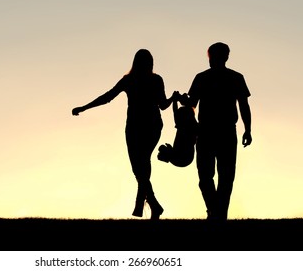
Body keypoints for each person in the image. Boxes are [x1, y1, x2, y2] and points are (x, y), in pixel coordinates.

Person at [72, 49, 173, 220]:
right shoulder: (151, 80)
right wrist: (84, 107)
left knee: (140, 166)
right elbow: (163, 105)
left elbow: (107, 97)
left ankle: (150, 205)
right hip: (145, 126)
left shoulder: (133, 80)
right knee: (140, 166)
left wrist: (83, 108)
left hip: (142, 127)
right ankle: (153, 205)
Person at [187, 42, 252, 222]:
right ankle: (218, 213)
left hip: (210, 131)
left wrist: (248, 130)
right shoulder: (235, 77)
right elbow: (244, 105)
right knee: (223, 176)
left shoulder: (202, 78)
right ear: (227, 56)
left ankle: (216, 213)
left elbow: (191, 104)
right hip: (221, 132)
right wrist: (247, 130)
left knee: (210, 176)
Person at [157, 91, 198, 167]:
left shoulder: (182, 124)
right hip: (187, 141)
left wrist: (175, 99)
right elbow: (176, 112)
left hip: (187, 140)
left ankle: (184, 102)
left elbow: (175, 112)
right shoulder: (185, 125)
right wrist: (176, 99)